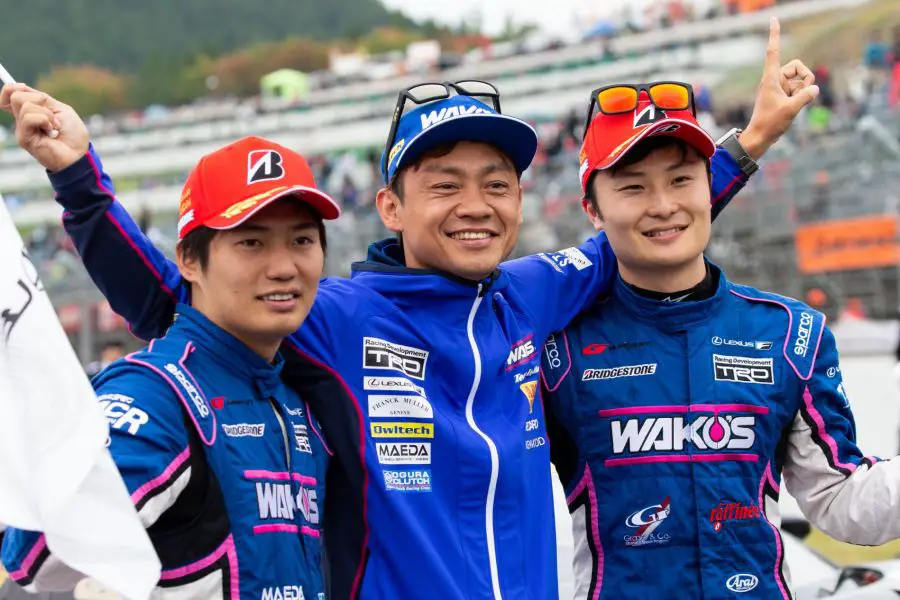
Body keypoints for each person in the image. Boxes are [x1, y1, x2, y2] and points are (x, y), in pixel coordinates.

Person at [0, 29, 814, 598]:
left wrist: (751, 140)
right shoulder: (334, 315)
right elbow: (178, 299)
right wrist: (78, 179)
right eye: (445, 184)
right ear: (389, 205)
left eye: (496, 182)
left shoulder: (533, 292)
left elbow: (647, 224)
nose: (476, 205)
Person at [541, 87, 900, 599]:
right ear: (593, 210)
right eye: (633, 187)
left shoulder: (790, 334)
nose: (664, 206)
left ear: (709, 186)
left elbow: (839, 498)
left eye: (681, 179)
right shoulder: (557, 348)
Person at [2, 135, 339, 599]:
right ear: (189, 260)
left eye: (301, 239)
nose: (283, 267)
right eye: (251, 242)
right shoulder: (157, 395)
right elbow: (33, 557)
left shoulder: (299, 391)